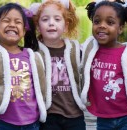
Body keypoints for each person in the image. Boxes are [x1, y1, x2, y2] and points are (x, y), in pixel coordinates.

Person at [80, 0, 127, 129]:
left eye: (110, 22)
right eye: (97, 21)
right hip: (104, 117)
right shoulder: (89, 51)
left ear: (120, 28)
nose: (102, 25)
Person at [29, 0, 86, 130]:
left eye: (57, 19)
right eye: (45, 19)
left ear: (65, 26)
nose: (51, 23)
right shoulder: (33, 52)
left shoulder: (76, 50)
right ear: (37, 26)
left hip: (74, 114)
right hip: (47, 116)